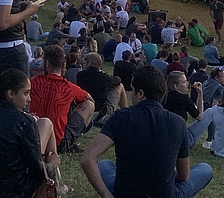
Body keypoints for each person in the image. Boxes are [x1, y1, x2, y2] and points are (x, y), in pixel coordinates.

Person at [81, 65, 213, 198]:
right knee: (205, 169)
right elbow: (184, 176)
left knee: (105, 164)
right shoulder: (177, 122)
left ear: (140, 93)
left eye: (132, 90)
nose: (131, 95)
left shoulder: (121, 117)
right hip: (164, 194)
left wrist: (106, 194)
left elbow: (88, 158)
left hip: (125, 193)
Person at [0, 68, 61, 198]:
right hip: (13, 192)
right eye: (26, 93)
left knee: (45, 123)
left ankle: (57, 185)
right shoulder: (23, 122)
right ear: (10, 94)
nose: (29, 99)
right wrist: (52, 164)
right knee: (46, 124)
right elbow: (37, 171)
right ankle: (55, 186)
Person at [29, 45, 95, 153]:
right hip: (58, 143)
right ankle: (74, 139)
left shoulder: (33, 82)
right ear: (63, 65)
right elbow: (90, 99)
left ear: (46, 64)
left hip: (34, 137)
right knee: (89, 105)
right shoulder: (68, 87)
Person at [77, 53, 126, 126]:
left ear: (88, 63)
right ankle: (125, 112)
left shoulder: (80, 75)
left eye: (84, 63)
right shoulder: (105, 78)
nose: (83, 66)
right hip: (101, 114)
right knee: (120, 86)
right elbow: (118, 80)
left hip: (84, 111)